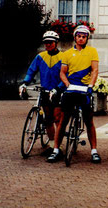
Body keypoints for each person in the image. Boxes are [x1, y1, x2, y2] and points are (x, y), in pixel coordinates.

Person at [56, 24, 101, 164]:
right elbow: (62, 72)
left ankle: (94, 151)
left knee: (89, 121)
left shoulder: (92, 51)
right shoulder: (67, 53)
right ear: (75, 37)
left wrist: (90, 85)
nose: (81, 39)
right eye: (79, 36)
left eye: (84, 37)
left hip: (84, 90)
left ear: (87, 38)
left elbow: (94, 70)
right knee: (63, 119)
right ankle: (56, 149)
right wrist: (67, 85)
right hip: (71, 89)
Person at [19, 31, 64, 160]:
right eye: (46, 42)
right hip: (45, 91)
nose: (48, 45)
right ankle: (52, 146)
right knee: (48, 120)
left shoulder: (63, 57)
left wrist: (58, 88)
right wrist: (24, 83)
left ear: (56, 43)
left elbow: (66, 74)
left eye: (50, 42)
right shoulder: (40, 57)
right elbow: (31, 71)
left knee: (57, 119)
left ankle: (58, 147)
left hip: (58, 91)